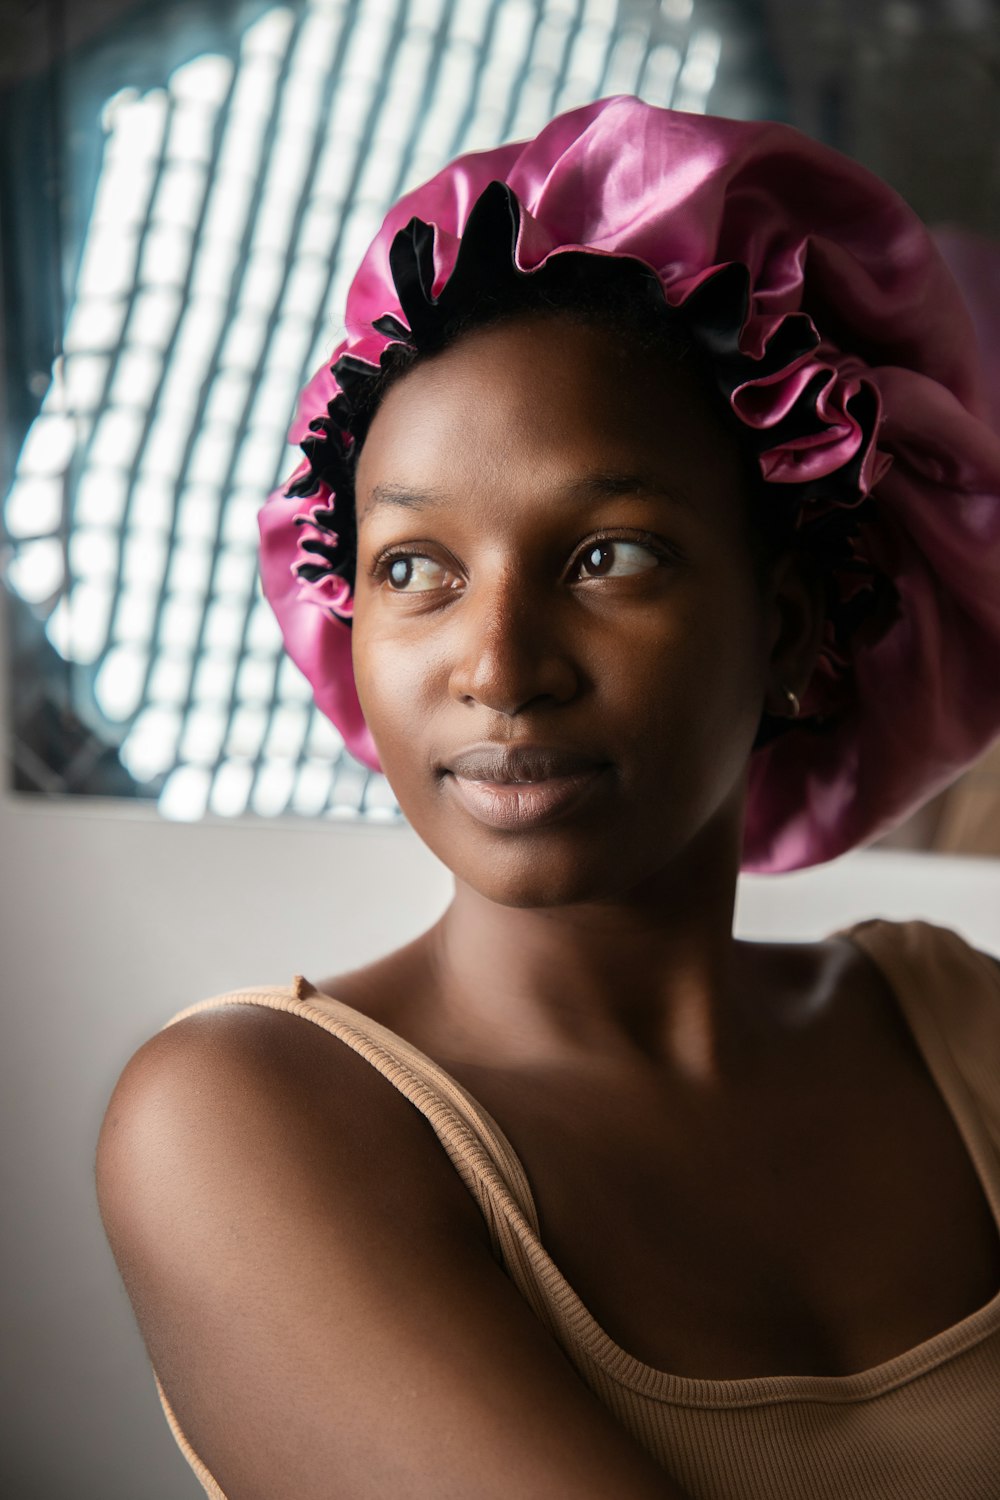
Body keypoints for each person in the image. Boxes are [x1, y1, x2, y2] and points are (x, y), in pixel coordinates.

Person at [96, 97, 1000, 1499]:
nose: (500, 669)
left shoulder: (961, 1026)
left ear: (795, 625)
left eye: (609, 556)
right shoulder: (246, 1119)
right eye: (413, 569)